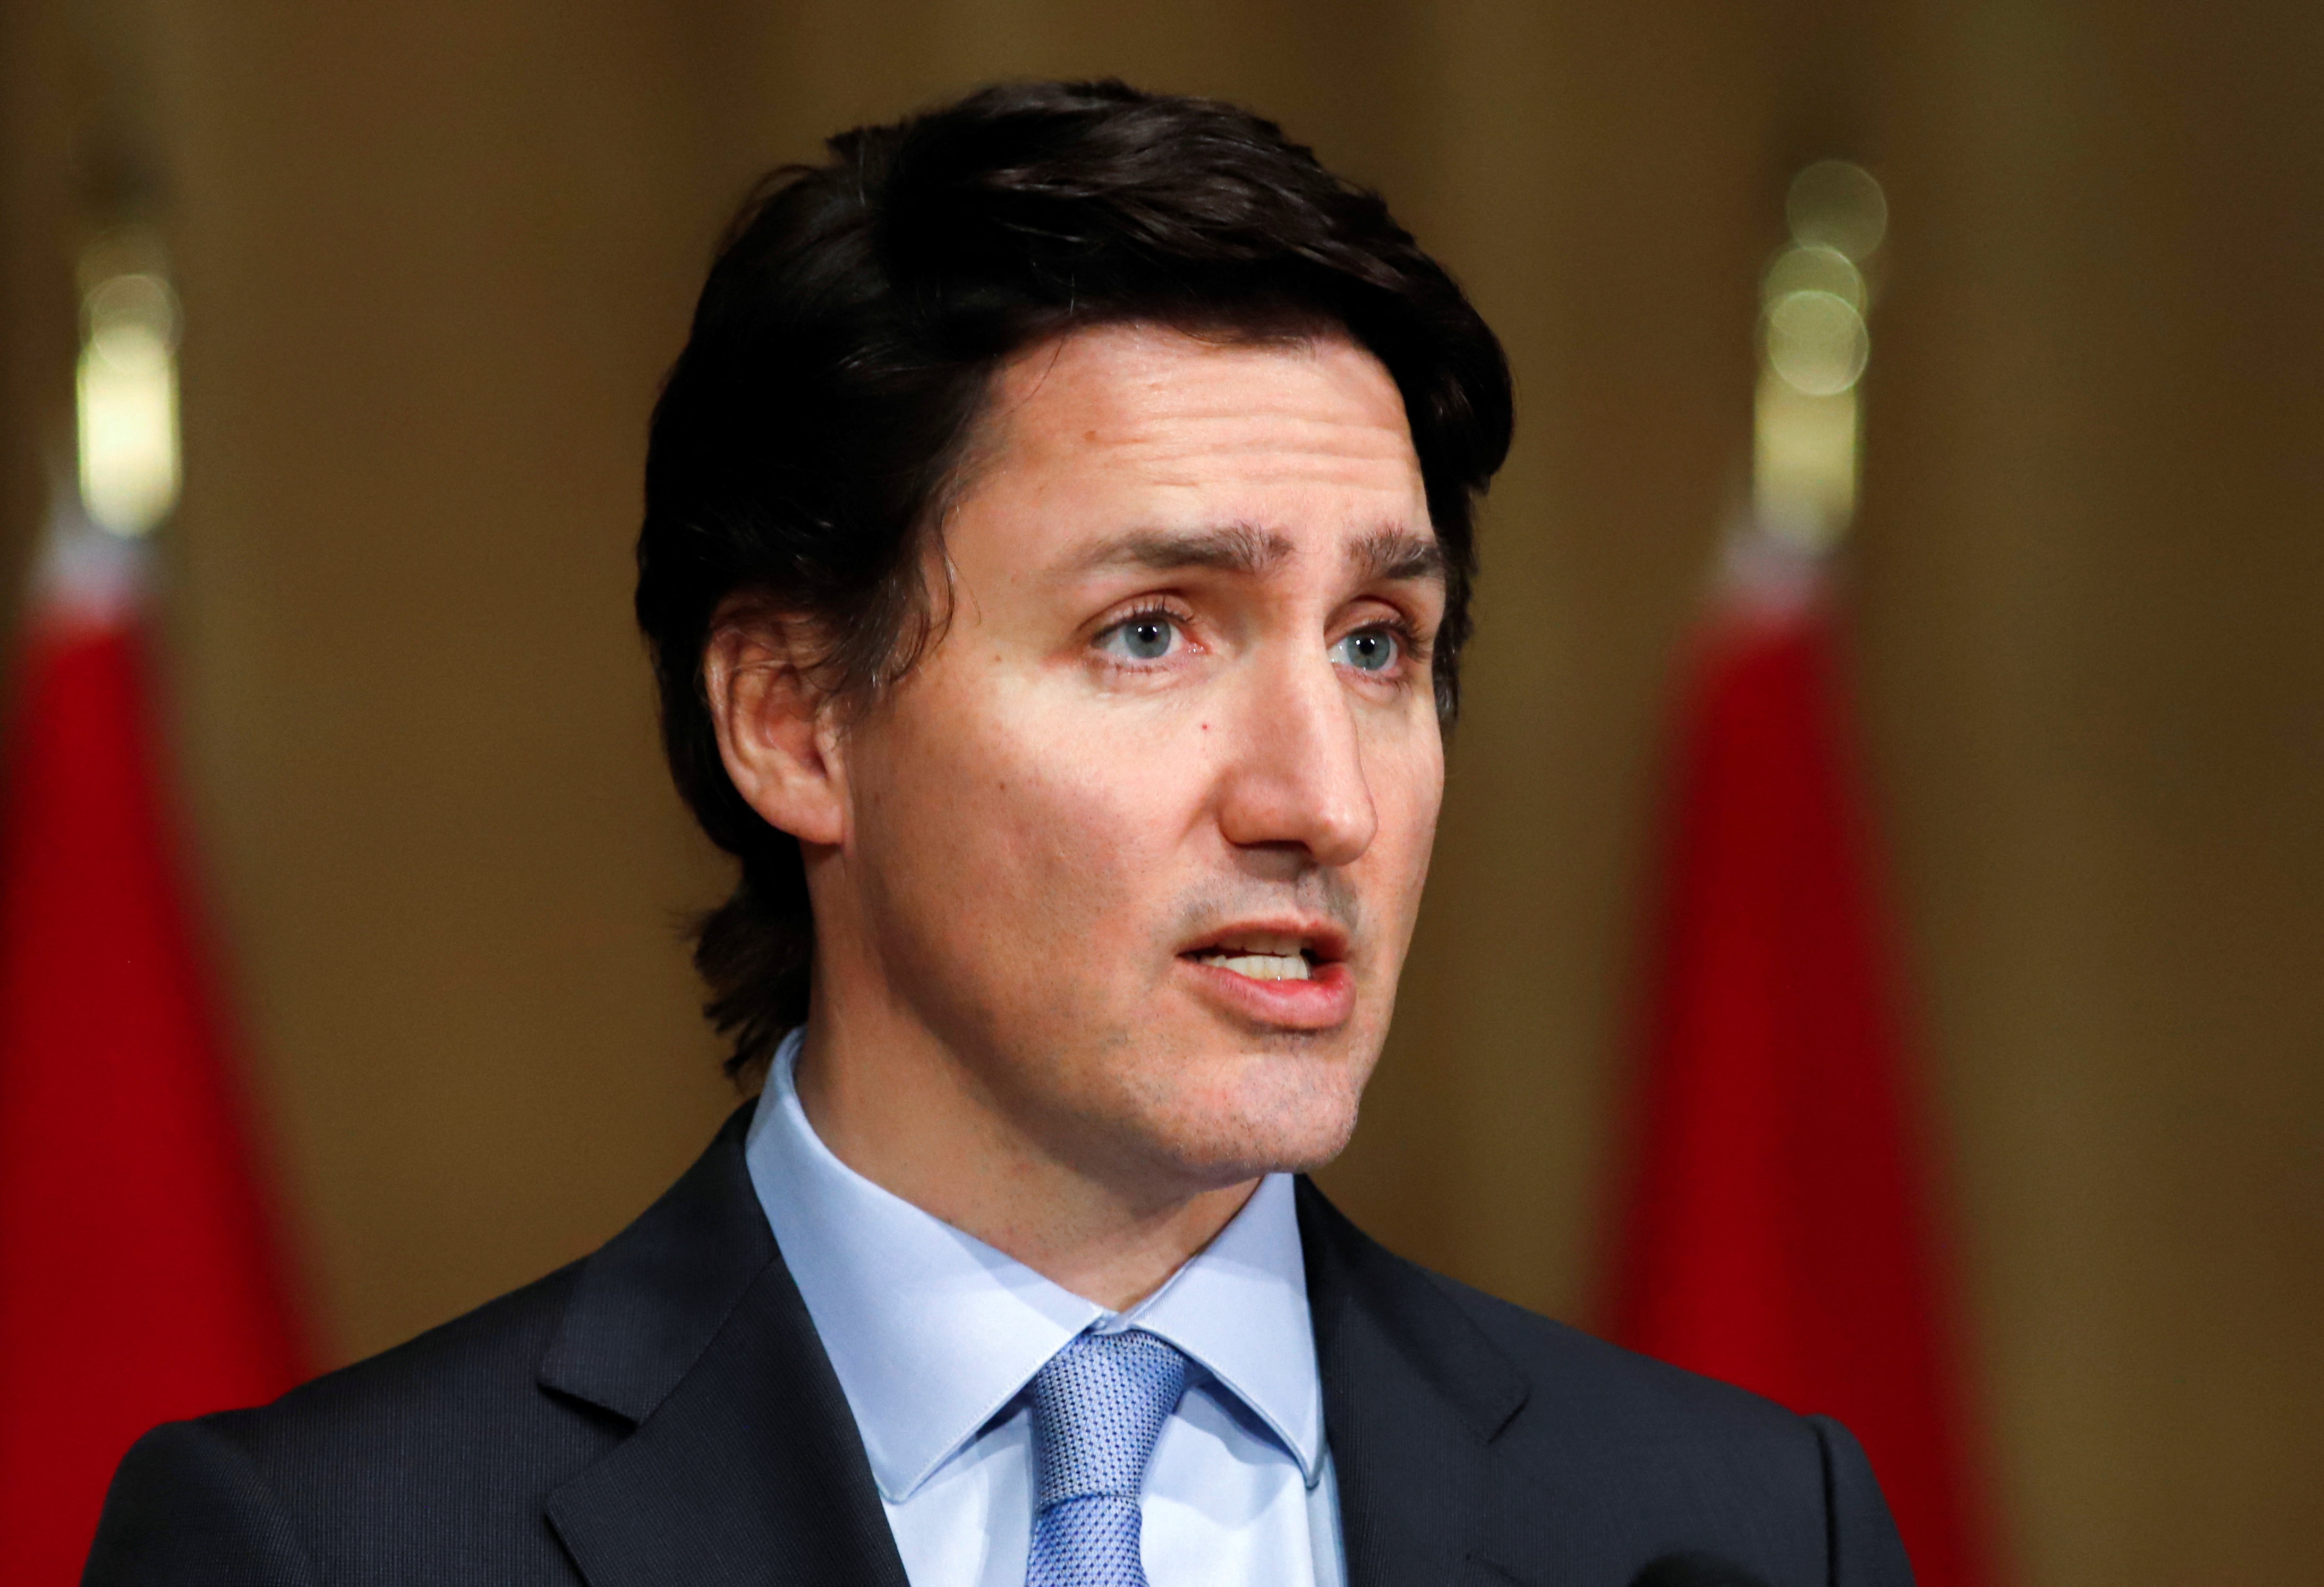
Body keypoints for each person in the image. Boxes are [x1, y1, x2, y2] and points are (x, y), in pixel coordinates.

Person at [84, 80, 1912, 1587]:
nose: (1320, 800)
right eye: (1151, 631)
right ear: (793, 716)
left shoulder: (1745, 1534)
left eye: (1380, 644)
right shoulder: (332, 1549)